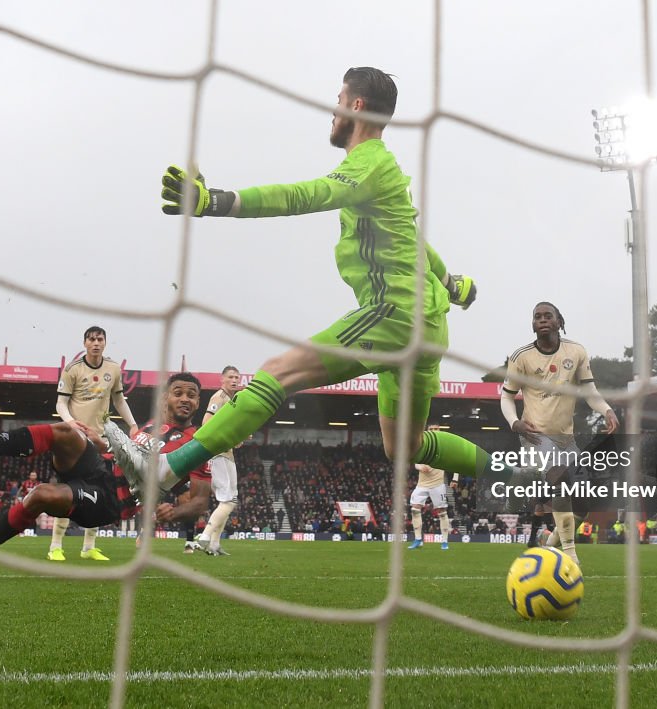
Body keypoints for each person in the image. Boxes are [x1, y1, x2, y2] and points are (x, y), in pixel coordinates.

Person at [103, 67, 514, 500]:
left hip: (393, 314)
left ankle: (167, 469)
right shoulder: (383, 170)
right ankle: (514, 473)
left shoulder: (370, 162)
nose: (331, 110)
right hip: (427, 326)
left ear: (354, 105)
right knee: (405, 448)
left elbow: (306, 195)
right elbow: (414, 240)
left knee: (277, 374)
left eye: (338, 99)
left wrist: (215, 202)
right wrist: (450, 284)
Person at [0, 373, 211, 579]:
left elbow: (199, 502)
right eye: (179, 392)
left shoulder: (197, 443)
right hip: (100, 467)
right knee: (66, 431)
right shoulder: (149, 427)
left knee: (42, 494)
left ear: (198, 403)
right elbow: (128, 457)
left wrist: (173, 512)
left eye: (192, 395)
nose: (185, 399)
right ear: (165, 399)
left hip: (110, 501)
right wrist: (100, 443)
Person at [500, 302, 619, 567]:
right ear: (533, 324)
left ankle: (548, 544)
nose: (542, 320)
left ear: (558, 321)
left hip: (567, 439)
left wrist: (607, 410)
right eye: (537, 317)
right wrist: (514, 422)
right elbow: (506, 398)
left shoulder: (575, 352)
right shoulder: (521, 357)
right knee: (560, 480)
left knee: (584, 504)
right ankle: (570, 555)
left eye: (547, 316)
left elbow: (590, 392)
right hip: (535, 436)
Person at [48, 326, 138, 562]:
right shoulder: (72, 370)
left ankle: (89, 547)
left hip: (101, 439)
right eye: (91, 339)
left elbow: (119, 399)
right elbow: (60, 404)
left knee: (101, 492)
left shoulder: (113, 369)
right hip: (76, 440)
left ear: (105, 343)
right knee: (68, 491)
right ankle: (55, 545)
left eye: (100, 339)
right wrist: (71, 423)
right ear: (85, 343)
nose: (96, 343)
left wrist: (133, 424)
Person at [195, 366, 243, 557]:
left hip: (228, 453)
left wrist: (237, 438)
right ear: (221, 379)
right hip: (217, 453)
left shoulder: (232, 400)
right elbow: (207, 423)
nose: (234, 380)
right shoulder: (219, 398)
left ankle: (215, 544)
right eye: (231, 377)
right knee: (228, 501)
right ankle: (205, 537)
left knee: (232, 498)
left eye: (237, 377)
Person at [408, 426, 457, 551]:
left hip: (437, 485)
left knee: (442, 512)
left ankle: (444, 541)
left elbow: (456, 463)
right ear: (428, 429)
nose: (434, 429)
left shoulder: (444, 447)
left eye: (436, 428)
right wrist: (420, 467)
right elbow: (415, 460)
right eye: (432, 428)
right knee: (414, 509)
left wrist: (455, 478)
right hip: (422, 484)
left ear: (439, 430)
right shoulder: (422, 444)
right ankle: (418, 539)